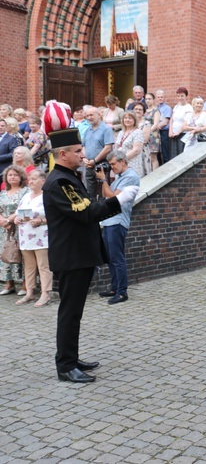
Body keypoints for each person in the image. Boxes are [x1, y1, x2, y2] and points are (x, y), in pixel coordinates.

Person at [42, 101, 135, 383]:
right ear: (63, 154)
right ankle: (66, 365)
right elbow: (85, 212)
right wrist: (116, 201)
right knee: (69, 313)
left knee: (75, 312)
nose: (84, 154)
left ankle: (72, 357)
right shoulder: (59, 182)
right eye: (79, 151)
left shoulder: (68, 176)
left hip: (78, 254)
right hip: (71, 256)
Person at [96, 151, 140, 305]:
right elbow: (105, 195)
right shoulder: (119, 178)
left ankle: (122, 292)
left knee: (117, 258)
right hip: (109, 221)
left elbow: (113, 199)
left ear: (123, 161)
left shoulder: (130, 176)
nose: (112, 167)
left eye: (114, 164)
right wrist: (103, 180)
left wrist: (104, 181)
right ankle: (114, 288)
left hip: (118, 221)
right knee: (110, 258)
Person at [13, 169, 52, 307]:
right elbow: (18, 213)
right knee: (29, 266)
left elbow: (55, 216)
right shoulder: (26, 196)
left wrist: (41, 221)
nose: (31, 181)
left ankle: (45, 293)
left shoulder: (47, 196)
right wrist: (17, 219)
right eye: (30, 179)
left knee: (43, 266)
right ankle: (29, 292)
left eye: (34, 179)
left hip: (42, 236)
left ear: (43, 181)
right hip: (25, 237)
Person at [0, 165, 29, 295]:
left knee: (21, 256)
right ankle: (9, 283)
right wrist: (2, 221)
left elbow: (25, 210)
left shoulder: (26, 192)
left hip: (19, 228)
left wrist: (9, 220)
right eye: (10, 175)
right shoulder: (3, 193)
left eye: (15, 175)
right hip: (4, 230)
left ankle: (25, 285)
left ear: (21, 177)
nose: (12, 177)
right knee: (5, 254)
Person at [81, 105, 115, 197]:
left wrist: (95, 161)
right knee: (89, 193)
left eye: (91, 115)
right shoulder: (88, 130)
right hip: (88, 165)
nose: (89, 118)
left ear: (99, 115)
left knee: (102, 193)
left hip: (101, 164)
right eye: (87, 116)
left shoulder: (106, 129)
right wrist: (84, 158)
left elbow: (107, 148)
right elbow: (84, 146)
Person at [113, 111, 146, 177]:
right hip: (120, 165)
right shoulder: (121, 132)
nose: (127, 120)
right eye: (125, 118)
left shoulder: (138, 132)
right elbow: (116, 148)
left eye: (130, 118)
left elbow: (136, 150)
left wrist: (122, 159)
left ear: (134, 120)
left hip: (132, 164)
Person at [169, 87, 192, 158]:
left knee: (181, 156)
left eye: (182, 96)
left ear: (186, 96)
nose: (180, 98)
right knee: (173, 156)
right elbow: (172, 119)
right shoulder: (176, 106)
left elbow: (186, 122)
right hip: (173, 134)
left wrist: (178, 133)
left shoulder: (189, 107)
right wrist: (170, 132)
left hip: (183, 134)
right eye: (178, 96)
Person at [143, 94, 162, 170]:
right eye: (146, 99)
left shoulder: (156, 111)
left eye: (149, 99)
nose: (148, 100)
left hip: (152, 135)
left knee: (153, 157)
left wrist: (148, 132)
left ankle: (155, 176)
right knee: (146, 156)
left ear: (153, 100)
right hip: (144, 135)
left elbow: (156, 124)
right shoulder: (145, 111)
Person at [155, 90, 172, 164]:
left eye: (161, 97)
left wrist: (156, 126)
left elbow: (165, 122)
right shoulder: (155, 108)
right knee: (156, 151)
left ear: (164, 98)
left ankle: (166, 166)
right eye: (158, 97)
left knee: (165, 151)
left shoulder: (167, 108)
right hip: (156, 132)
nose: (160, 98)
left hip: (164, 132)